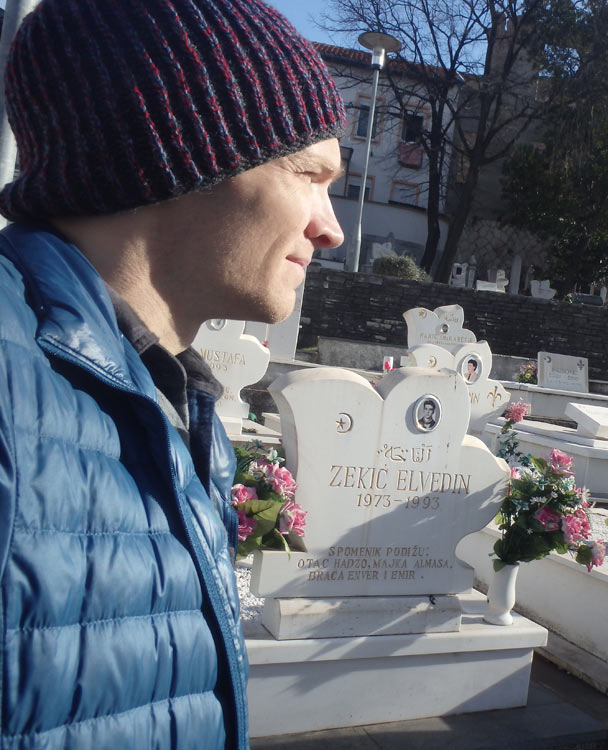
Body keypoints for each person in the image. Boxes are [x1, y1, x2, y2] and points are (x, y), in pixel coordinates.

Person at [0, 1, 346, 748]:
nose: (332, 227)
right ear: (186, 152)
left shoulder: (166, 392)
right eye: (309, 174)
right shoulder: (10, 378)